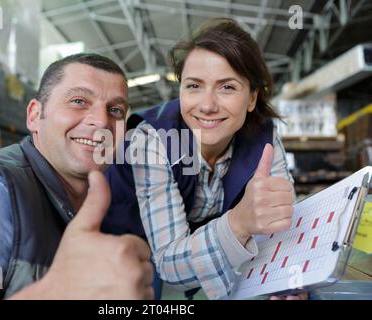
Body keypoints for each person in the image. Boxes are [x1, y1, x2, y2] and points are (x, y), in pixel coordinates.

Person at [0, 53, 154, 299]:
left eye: (116, 110)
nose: (101, 121)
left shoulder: (79, 210)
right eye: (78, 101)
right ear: (34, 116)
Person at [105, 18, 306, 300]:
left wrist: (290, 280)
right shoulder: (152, 139)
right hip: (130, 241)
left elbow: (283, 224)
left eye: (227, 87)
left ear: (251, 99)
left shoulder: (265, 138)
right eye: (194, 86)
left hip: (197, 240)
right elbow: (170, 265)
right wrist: (239, 223)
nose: (208, 105)